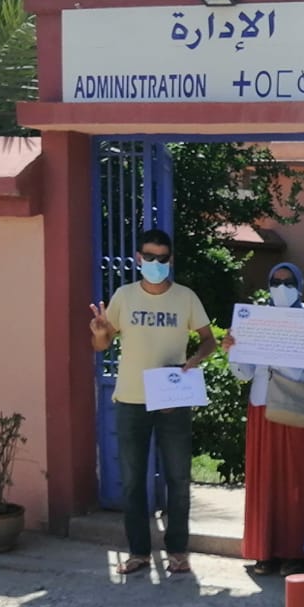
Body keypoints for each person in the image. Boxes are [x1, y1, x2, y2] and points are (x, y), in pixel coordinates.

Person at [89, 228, 215, 576]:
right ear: (138, 258)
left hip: (172, 398)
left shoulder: (186, 297)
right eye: (149, 257)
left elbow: (209, 340)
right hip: (131, 399)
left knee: (178, 478)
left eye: (162, 258)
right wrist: (99, 333)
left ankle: (178, 551)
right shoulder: (124, 296)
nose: (155, 263)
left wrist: (194, 360)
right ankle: (138, 552)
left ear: (170, 260)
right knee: (132, 482)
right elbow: (102, 343)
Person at [222, 263, 304, 576]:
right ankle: (264, 551)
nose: (282, 287)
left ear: (300, 286)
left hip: (298, 408)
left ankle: (297, 554)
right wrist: (233, 351)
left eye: (289, 282)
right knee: (263, 481)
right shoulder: (255, 320)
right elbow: (244, 373)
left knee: (298, 482)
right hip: (262, 406)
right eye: (276, 281)